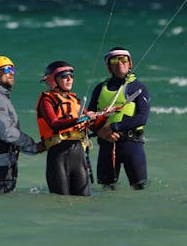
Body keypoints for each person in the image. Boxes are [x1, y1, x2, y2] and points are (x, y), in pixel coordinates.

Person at [0, 55, 45, 193]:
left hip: (4, 163)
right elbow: (6, 132)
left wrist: (35, 149)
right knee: (0, 209)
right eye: (7, 69)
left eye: (13, 70)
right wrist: (29, 142)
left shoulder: (1, 97)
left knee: (3, 208)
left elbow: (9, 138)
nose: (11, 73)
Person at [88, 47, 150, 190]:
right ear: (109, 66)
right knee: (106, 190)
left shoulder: (138, 87)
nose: (120, 63)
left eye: (124, 59)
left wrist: (113, 127)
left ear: (130, 64)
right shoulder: (100, 89)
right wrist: (100, 131)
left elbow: (142, 118)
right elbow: (89, 118)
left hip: (131, 145)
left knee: (140, 189)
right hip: (107, 145)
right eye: (115, 60)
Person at [36, 61, 92, 196]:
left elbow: (92, 123)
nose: (69, 79)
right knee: (61, 200)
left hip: (78, 154)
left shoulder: (75, 100)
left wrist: (104, 115)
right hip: (58, 155)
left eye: (71, 75)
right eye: (64, 76)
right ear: (52, 80)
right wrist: (84, 118)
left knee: (83, 200)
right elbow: (54, 123)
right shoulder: (47, 100)